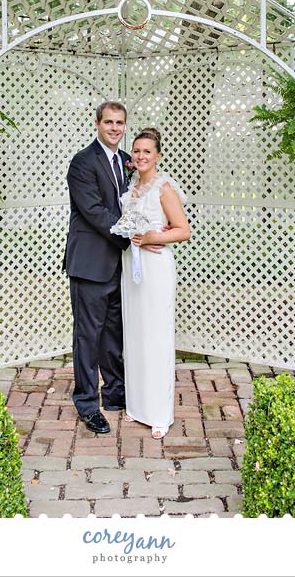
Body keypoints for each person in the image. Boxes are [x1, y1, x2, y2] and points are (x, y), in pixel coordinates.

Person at [63, 102, 165, 434]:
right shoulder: (82, 163)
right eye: (109, 122)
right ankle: (87, 404)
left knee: (113, 336)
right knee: (87, 337)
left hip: (118, 266)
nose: (115, 128)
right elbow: (94, 212)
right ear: (97, 124)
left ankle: (116, 394)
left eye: (120, 123)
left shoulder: (126, 162)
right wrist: (135, 237)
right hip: (90, 264)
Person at [118, 127, 190, 440]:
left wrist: (153, 237)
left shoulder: (163, 188)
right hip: (131, 267)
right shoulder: (132, 186)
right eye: (136, 151)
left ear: (158, 156)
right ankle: (138, 406)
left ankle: (160, 412)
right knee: (135, 335)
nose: (141, 156)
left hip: (156, 268)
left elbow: (183, 230)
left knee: (156, 337)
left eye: (147, 151)